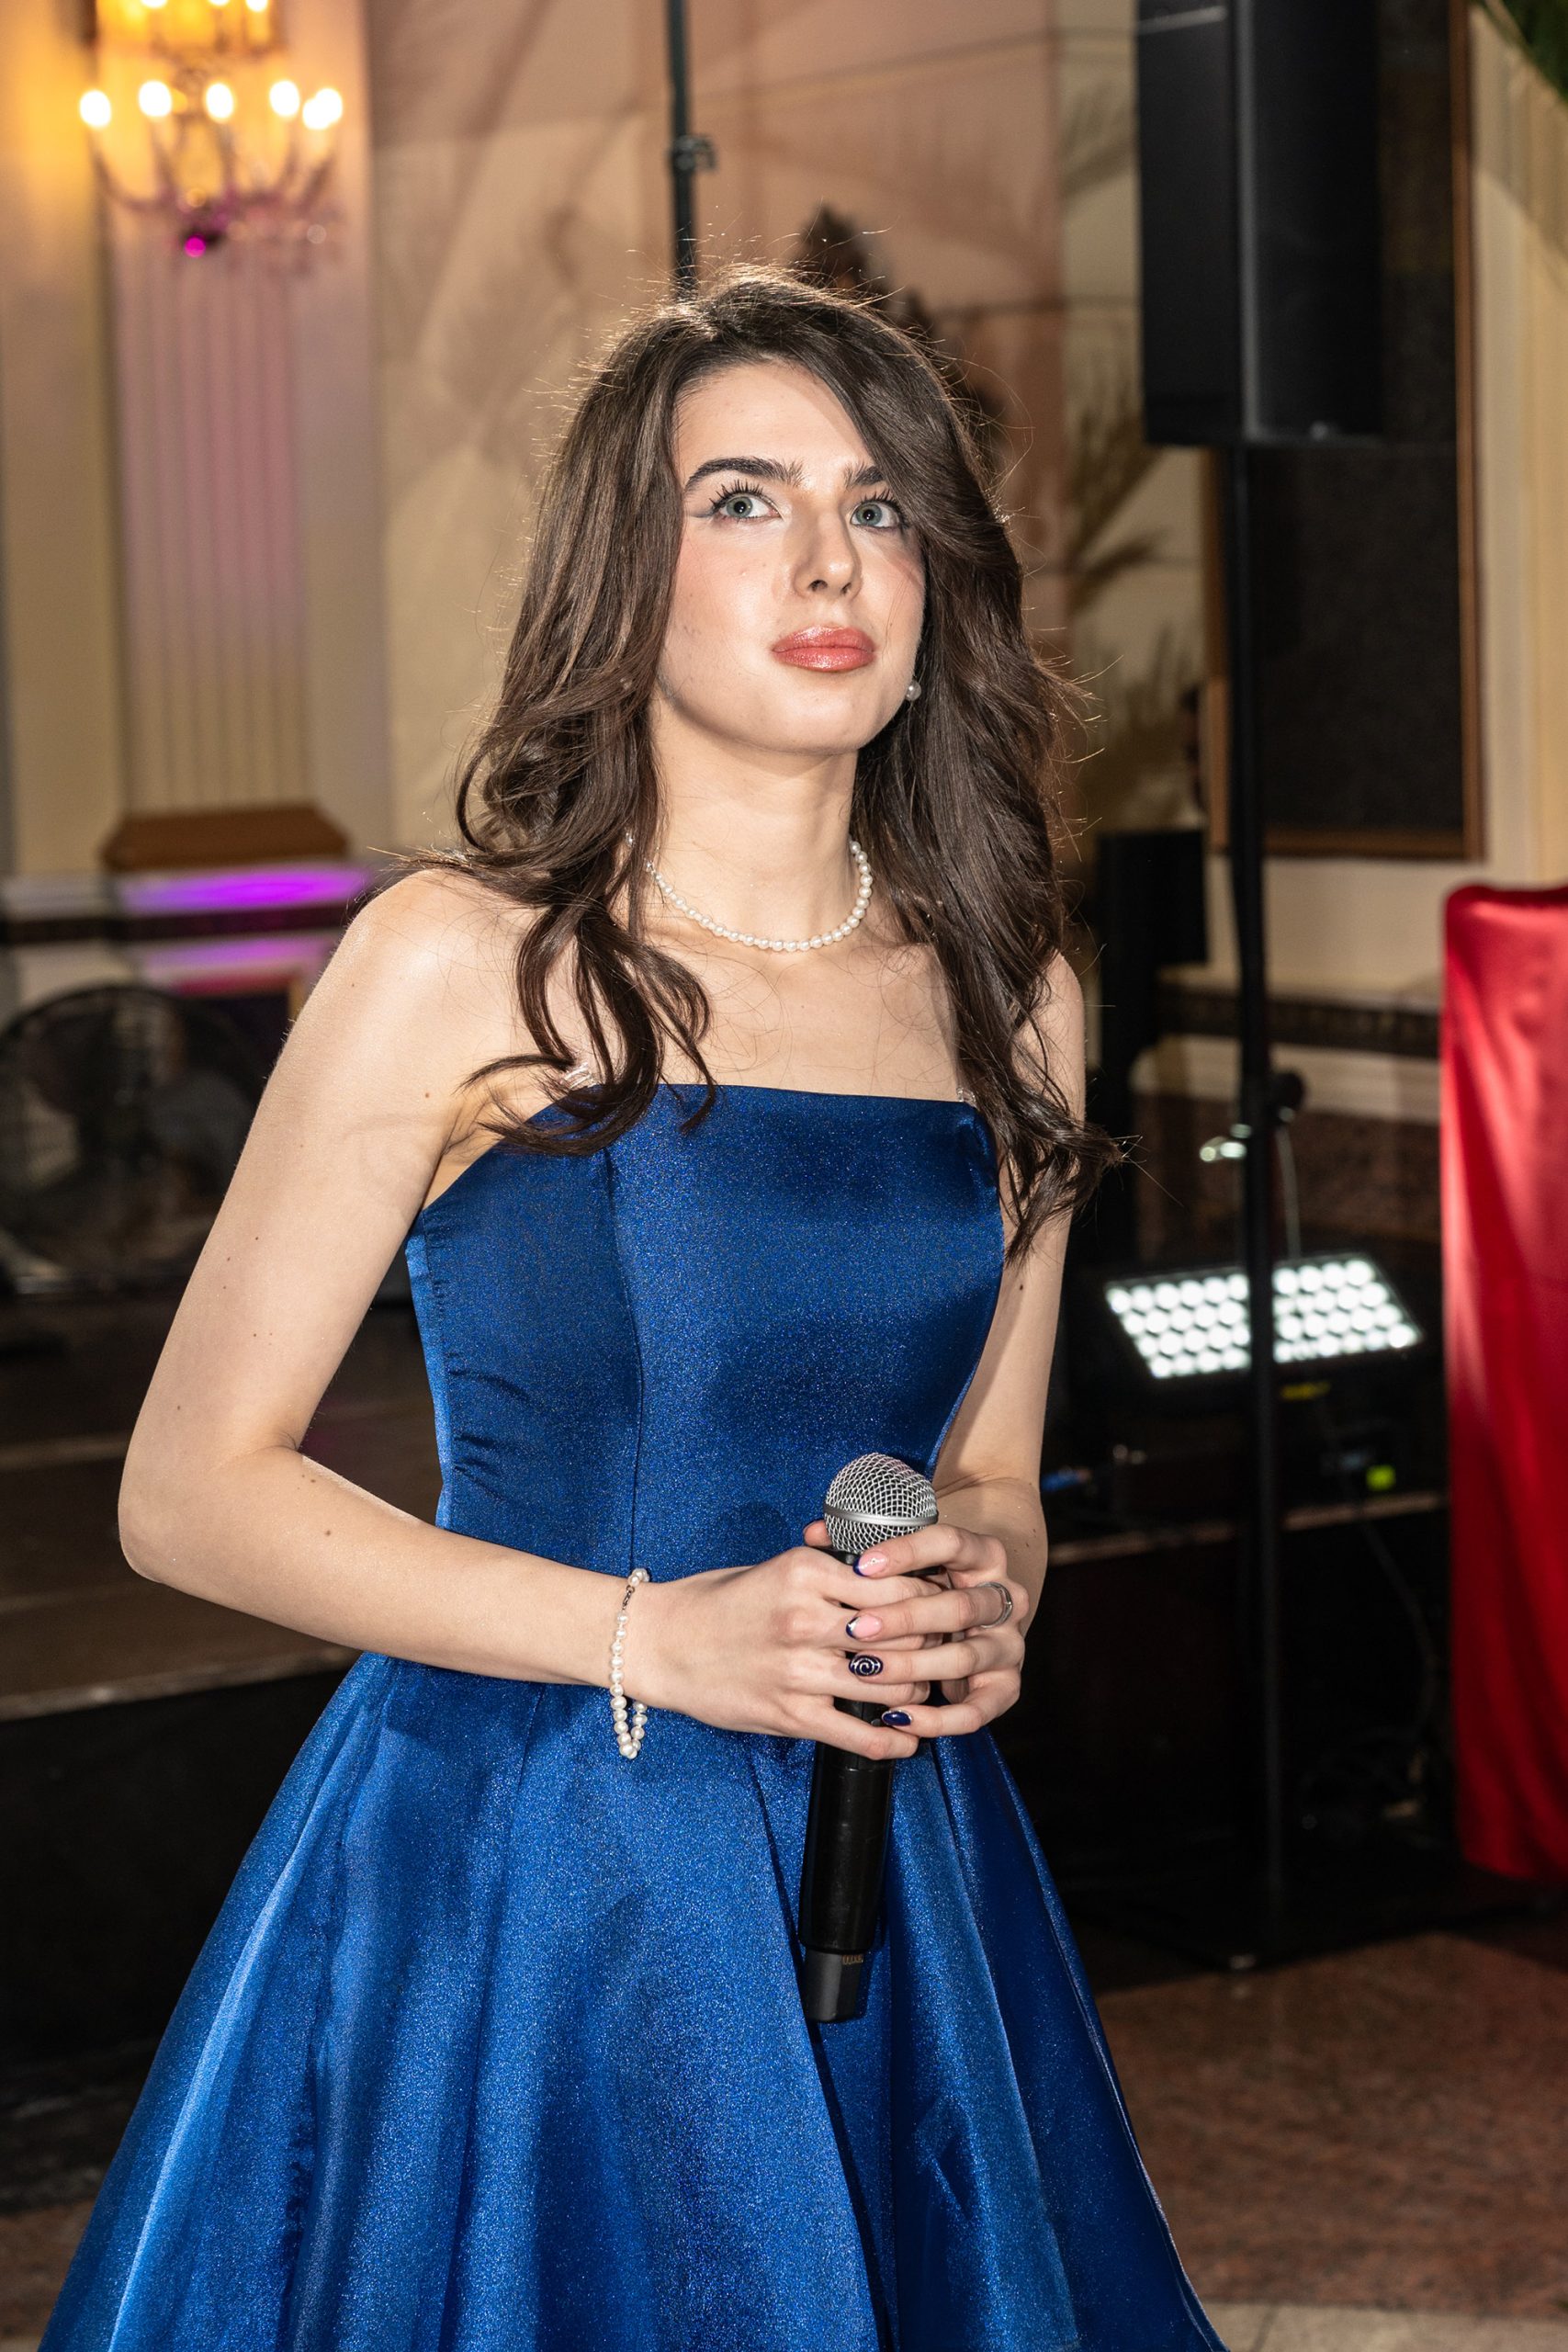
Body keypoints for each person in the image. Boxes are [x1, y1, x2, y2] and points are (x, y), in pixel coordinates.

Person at [41, 267, 1225, 2352]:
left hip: (889, 1837)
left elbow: (984, 1472)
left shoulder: (1012, 991)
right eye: (745, 500)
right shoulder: (466, 961)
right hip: (536, 1838)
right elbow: (187, 1491)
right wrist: (652, 1636)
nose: (830, 561)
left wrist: (989, 1595)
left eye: (876, 504)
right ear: (624, 573)